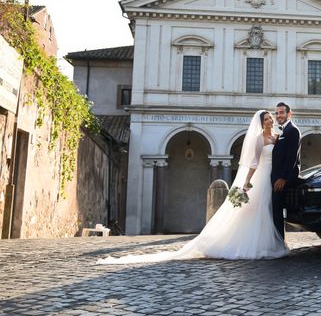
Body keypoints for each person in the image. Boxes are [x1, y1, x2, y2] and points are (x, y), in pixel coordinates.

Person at [97, 110, 288, 264]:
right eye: (266, 118)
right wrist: (246, 183)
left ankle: (267, 244)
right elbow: (253, 163)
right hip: (260, 178)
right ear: (261, 123)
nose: (270, 120)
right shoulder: (258, 139)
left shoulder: (275, 138)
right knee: (257, 211)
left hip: (271, 177)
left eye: (270, 117)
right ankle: (254, 245)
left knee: (267, 210)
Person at [271, 102, 302, 239]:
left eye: (282, 112)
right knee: (275, 211)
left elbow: (292, 158)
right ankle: (277, 241)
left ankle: (279, 242)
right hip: (278, 177)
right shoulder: (284, 130)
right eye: (277, 113)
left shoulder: (292, 130)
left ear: (289, 114)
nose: (279, 115)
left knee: (277, 212)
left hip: (283, 179)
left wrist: (283, 178)